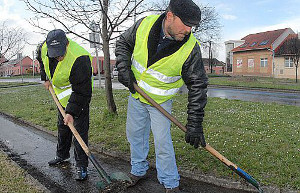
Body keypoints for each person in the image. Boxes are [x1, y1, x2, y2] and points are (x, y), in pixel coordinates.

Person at [115, 0, 208, 192]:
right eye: (187, 24)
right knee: (135, 135)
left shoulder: (191, 48)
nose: (189, 30)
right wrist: (123, 67)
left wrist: (195, 124)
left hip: (160, 102)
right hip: (137, 94)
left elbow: (198, 86)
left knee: (162, 142)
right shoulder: (145, 24)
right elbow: (123, 42)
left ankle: (170, 183)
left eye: (193, 26)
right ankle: (138, 170)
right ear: (170, 16)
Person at [36, 29, 93, 181]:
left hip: (79, 97)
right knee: (62, 128)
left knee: (78, 131)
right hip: (60, 97)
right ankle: (62, 156)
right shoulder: (43, 49)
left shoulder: (80, 58)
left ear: (67, 44)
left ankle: (82, 166)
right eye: (55, 54)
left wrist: (71, 112)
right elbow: (41, 60)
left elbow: (83, 91)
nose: (59, 57)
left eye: (61, 53)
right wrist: (44, 78)